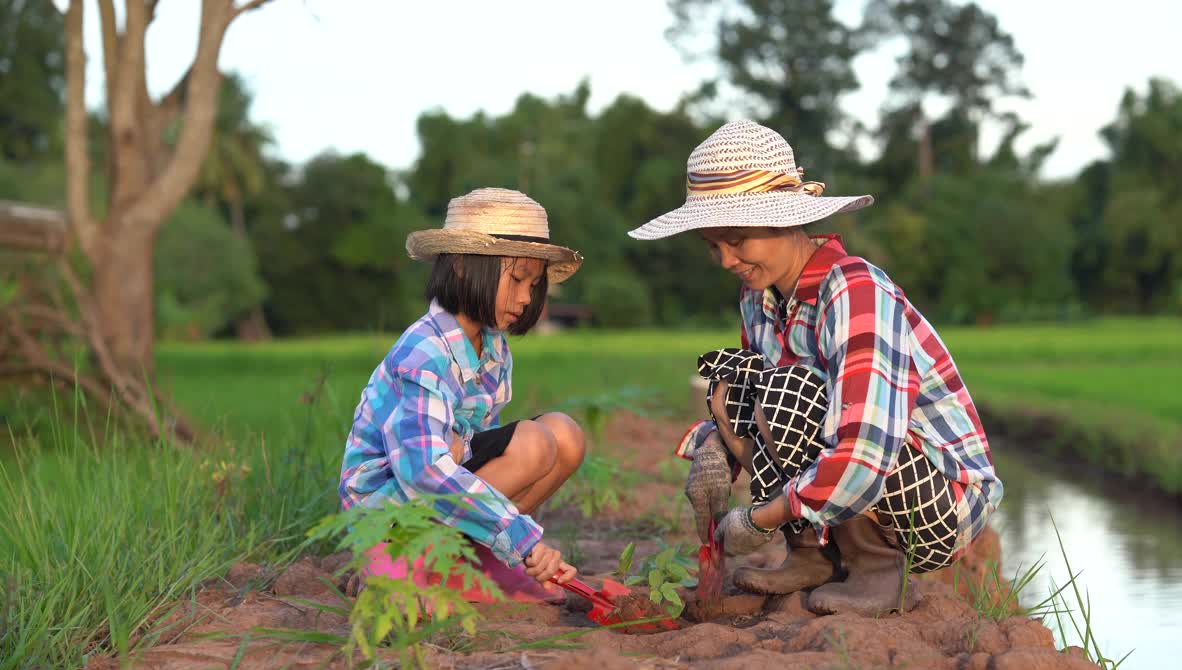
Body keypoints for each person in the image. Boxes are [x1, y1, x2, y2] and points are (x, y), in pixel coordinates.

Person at [629, 120, 1003, 615]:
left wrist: (761, 519)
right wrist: (714, 450)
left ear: (786, 220)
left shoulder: (854, 289)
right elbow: (750, 403)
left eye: (737, 240)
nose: (725, 260)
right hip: (857, 478)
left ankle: (876, 567)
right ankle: (814, 555)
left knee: (785, 390)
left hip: (935, 502)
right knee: (735, 388)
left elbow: (868, 448)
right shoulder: (757, 300)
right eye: (712, 245)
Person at [340, 187, 586, 602]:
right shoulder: (425, 351)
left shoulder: (492, 348)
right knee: (532, 444)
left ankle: (466, 559)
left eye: (535, 283)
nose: (526, 298)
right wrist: (521, 539)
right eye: (517, 279)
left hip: (437, 490)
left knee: (564, 436)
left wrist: (460, 447)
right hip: (391, 504)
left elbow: (474, 451)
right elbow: (422, 471)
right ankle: (392, 565)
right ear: (460, 265)